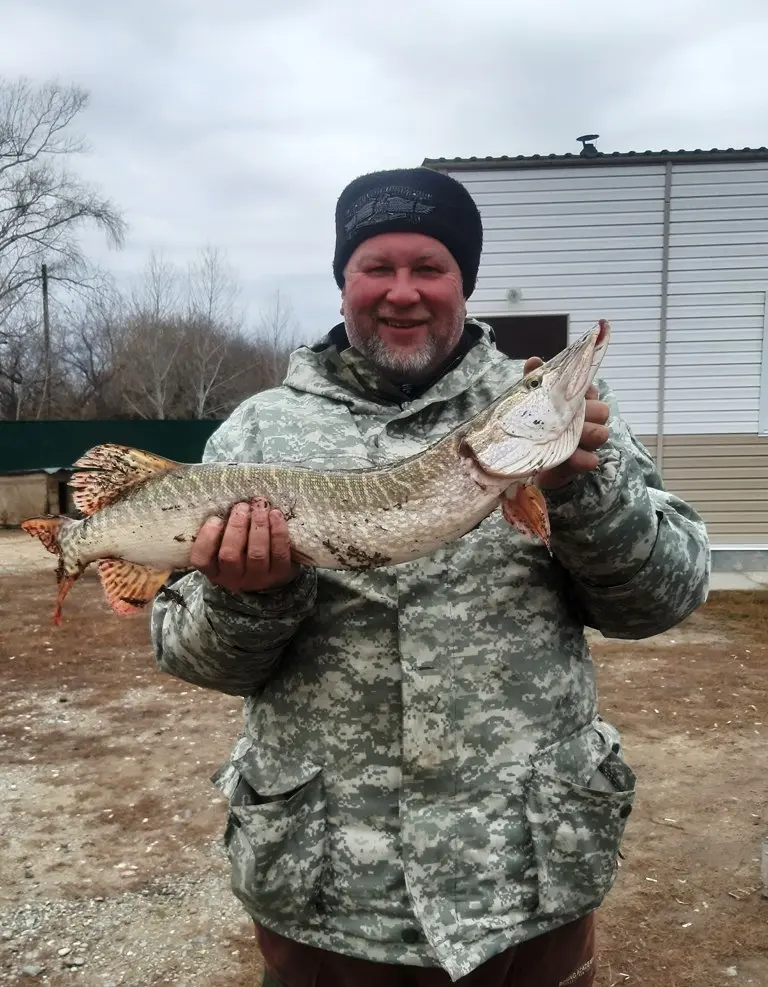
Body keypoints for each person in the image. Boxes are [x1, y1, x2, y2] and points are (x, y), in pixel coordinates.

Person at [151, 167, 711, 986]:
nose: (402, 292)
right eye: (377, 266)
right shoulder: (259, 431)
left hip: (523, 880)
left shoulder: (554, 412)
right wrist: (249, 600)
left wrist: (580, 490)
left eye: (431, 267)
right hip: (328, 891)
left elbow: (661, 598)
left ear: (464, 282)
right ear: (343, 280)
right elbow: (190, 653)